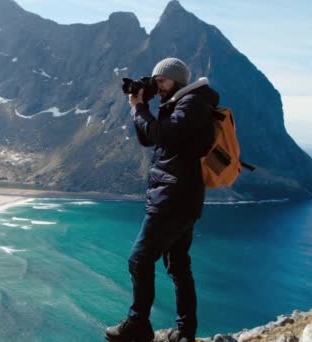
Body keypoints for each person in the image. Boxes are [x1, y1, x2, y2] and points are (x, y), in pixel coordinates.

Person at [105, 57, 219, 342]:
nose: (158, 86)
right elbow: (149, 139)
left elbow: (163, 136)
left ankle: (138, 324)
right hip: (179, 197)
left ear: (178, 80)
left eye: (162, 81)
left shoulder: (192, 104)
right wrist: (139, 107)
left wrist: (141, 107)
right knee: (178, 266)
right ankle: (184, 332)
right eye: (155, 81)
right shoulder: (182, 103)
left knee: (139, 261)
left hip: (173, 199)